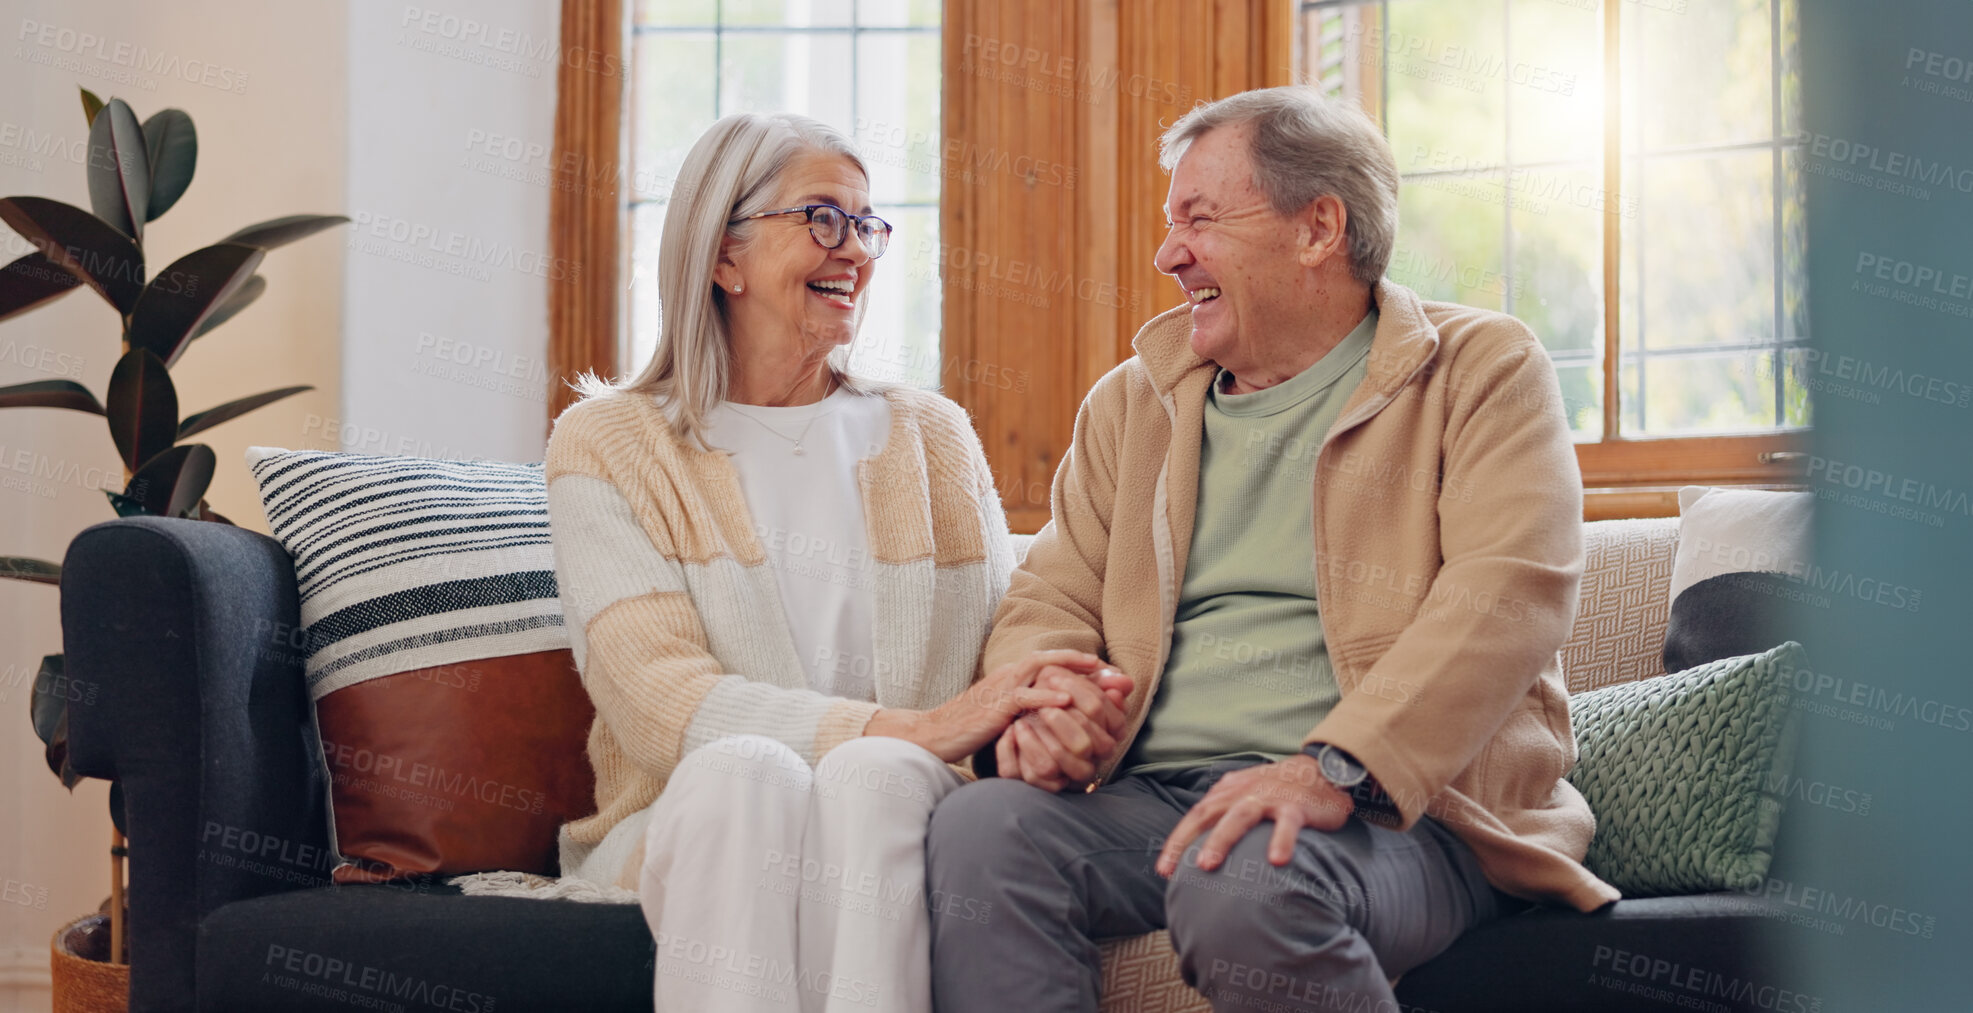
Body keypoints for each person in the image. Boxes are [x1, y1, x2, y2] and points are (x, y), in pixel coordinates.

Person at [926, 86, 1620, 1013]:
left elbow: (1508, 594)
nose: (1168, 254)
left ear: (1317, 227)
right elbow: (1049, 596)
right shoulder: (1133, 402)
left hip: (1402, 815)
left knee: (1246, 877)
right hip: (1154, 797)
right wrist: (1042, 702)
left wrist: (1336, 766)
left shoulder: (1479, 368)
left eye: (1199, 220)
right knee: (981, 828)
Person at [542, 112, 1128, 1013]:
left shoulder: (929, 434)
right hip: (690, 818)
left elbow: (994, 638)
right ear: (721, 257)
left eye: (865, 225)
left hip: (897, 800)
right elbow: (659, 699)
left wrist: (1031, 704)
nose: (853, 248)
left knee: (876, 773)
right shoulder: (610, 441)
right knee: (749, 769)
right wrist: (911, 727)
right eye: (822, 216)